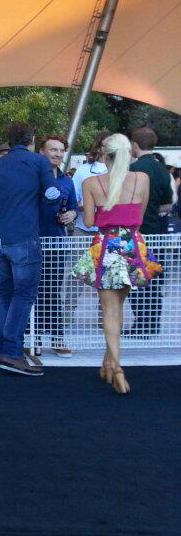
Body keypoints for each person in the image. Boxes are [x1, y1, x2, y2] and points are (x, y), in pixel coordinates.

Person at [72, 133, 161, 394]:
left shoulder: (91, 182)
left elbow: (88, 222)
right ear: (130, 153)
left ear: (104, 154)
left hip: (106, 246)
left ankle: (118, 369)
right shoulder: (142, 179)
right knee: (119, 307)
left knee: (109, 310)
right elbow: (140, 216)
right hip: (133, 244)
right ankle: (108, 363)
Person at [0, 122, 61, 375]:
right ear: (32, 139)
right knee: (24, 294)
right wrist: (53, 205)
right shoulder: (38, 163)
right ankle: (12, 352)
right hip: (25, 238)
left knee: (3, 293)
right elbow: (52, 193)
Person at [125, 126, 172, 337]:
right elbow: (168, 205)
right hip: (157, 234)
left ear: (134, 145)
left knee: (137, 280)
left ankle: (141, 325)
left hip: (137, 233)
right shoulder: (162, 169)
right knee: (154, 280)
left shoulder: (134, 169)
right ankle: (152, 325)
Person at [35, 135, 77, 357]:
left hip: (58, 243)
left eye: (61, 151)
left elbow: (72, 208)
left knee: (53, 291)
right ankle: (34, 338)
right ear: (42, 152)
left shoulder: (67, 181)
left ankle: (57, 337)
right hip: (33, 241)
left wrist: (72, 214)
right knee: (32, 291)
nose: (57, 154)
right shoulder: (32, 178)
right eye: (53, 150)